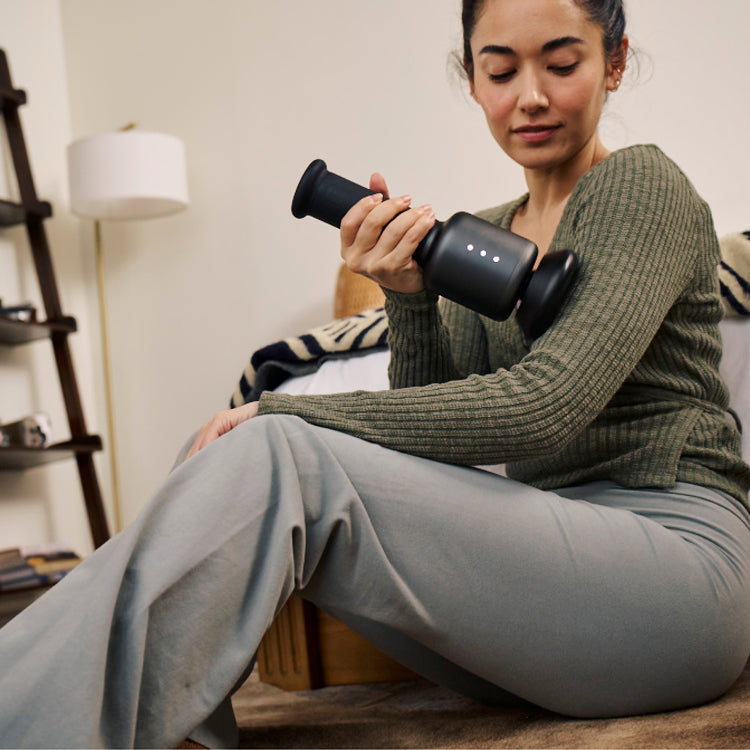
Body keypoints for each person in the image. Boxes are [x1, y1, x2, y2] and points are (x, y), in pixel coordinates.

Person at [2, 0, 750, 747]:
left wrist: (287, 415)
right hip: (548, 601)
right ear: (471, 78)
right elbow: (422, 436)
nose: (529, 96)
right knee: (217, 454)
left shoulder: (643, 187)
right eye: (499, 69)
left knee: (275, 447)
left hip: (673, 573)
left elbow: (543, 406)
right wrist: (409, 300)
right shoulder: (482, 237)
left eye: (561, 64)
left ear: (613, 62)